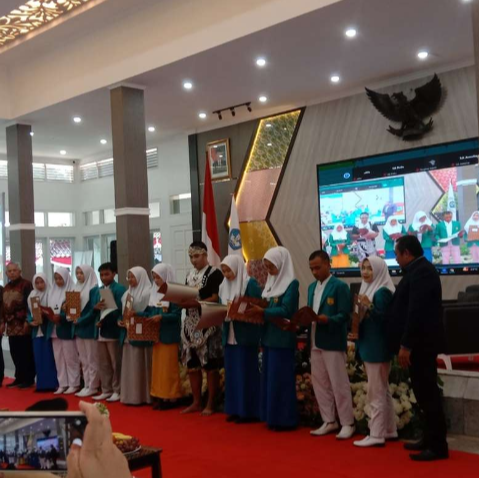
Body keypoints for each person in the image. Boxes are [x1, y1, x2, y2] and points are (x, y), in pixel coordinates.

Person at [388, 236, 448, 462]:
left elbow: (416, 311)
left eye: (397, 254)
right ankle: (429, 438)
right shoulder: (416, 270)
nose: (395, 258)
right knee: (422, 394)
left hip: (421, 345)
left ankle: (438, 446)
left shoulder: (422, 272)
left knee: (428, 394)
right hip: (419, 344)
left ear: (407, 253)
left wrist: (406, 345)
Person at [249, 247, 299, 432]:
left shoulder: (291, 284)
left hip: (282, 338)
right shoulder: (271, 283)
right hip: (269, 338)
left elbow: (286, 310)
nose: (270, 271)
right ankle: (271, 417)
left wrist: (263, 311)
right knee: (270, 380)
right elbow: (268, 306)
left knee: (281, 381)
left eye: (272, 267)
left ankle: (285, 419)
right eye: (267, 267)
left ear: (281, 264)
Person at [307, 251, 355, 440]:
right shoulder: (311, 287)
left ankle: (347, 422)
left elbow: (345, 315)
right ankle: (329, 420)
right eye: (311, 268)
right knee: (320, 383)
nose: (314, 272)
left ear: (328, 264)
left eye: (318, 267)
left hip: (332, 340)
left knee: (338, 383)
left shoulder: (339, 286)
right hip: (315, 339)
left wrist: (328, 320)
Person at [352, 257, 397, 448]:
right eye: (363, 268)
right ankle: (389, 430)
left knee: (375, 392)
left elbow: (385, 319)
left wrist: (368, 305)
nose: (365, 272)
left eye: (369, 268)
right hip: (370, 346)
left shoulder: (382, 291)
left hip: (377, 347)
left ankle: (376, 434)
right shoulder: (369, 288)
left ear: (378, 270)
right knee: (382, 390)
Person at [181, 241, 224, 416]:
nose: (194, 260)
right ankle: (196, 401)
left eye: (197, 256)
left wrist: (198, 303)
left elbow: (216, 297)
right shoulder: (189, 275)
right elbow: (185, 295)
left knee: (210, 364)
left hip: (208, 323)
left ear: (205, 254)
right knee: (192, 364)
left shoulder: (215, 273)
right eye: (191, 257)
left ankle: (211, 403)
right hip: (190, 324)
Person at [220, 255, 263, 424]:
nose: (226, 274)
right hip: (229, 334)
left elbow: (257, 307)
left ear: (237, 268)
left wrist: (239, 312)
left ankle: (249, 411)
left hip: (245, 335)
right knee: (232, 374)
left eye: (228, 270)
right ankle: (235, 409)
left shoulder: (249, 284)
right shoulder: (223, 285)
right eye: (224, 271)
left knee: (246, 373)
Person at [141, 264, 183, 410]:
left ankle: (171, 396)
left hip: (168, 336)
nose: (156, 280)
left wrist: (162, 317)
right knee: (158, 369)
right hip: (156, 336)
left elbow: (176, 315)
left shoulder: (174, 293)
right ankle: (159, 395)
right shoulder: (154, 292)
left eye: (158, 277)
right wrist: (136, 314)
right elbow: (149, 313)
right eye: (154, 277)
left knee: (168, 369)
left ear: (166, 276)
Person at [92, 263, 126, 403]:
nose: (104, 277)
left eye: (107, 274)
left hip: (113, 331)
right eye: (101, 275)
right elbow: (95, 310)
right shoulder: (98, 290)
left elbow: (120, 310)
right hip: (100, 330)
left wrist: (109, 319)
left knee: (115, 363)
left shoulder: (119, 289)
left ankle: (117, 390)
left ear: (114, 274)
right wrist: (96, 308)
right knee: (104, 363)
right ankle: (106, 389)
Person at [120, 267, 154, 406]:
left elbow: (151, 313)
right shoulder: (126, 294)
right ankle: (131, 396)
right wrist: (121, 320)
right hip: (129, 333)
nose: (130, 280)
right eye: (128, 277)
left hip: (143, 334)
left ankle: (145, 396)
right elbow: (123, 312)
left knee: (142, 364)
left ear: (141, 277)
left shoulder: (149, 293)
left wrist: (137, 314)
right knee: (131, 365)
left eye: (133, 277)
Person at [0, 263, 35, 389]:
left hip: (23, 325)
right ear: (6, 273)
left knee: (25, 352)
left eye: (14, 270)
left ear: (19, 271)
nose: (12, 273)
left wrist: (27, 320)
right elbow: (3, 307)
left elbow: (30, 304)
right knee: (15, 352)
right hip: (11, 326)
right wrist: (3, 322)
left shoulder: (26, 285)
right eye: (9, 271)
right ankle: (19, 377)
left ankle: (28, 379)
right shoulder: (6, 288)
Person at [49, 268, 81, 396]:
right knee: (59, 359)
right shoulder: (52, 291)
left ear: (66, 278)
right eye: (56, 279)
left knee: (70, 357)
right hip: (54, 330)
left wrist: (61, 316)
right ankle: (63, 383)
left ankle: (74, 383)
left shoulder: (72, 290)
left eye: (60, 278)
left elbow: (73, 312)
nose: (58, 281)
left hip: (67, 329)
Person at [27, 274, 58, 392]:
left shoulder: (51, 294)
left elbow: (53, 311)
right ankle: (41, 385)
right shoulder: (32, 295)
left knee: (49, 358)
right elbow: (28, 312)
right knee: (38, 358)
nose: (40, 285)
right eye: (37, 283)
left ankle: (51, 384)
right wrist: (31, 321)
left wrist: (45, 314)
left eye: (42, 282)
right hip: (36, 331)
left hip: (47, 330)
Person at [73, 266, 100, 398]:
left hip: (89, 327)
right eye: (77, 273)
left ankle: (93, 386)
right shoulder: (76, 288)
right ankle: (87, 385)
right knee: (83, 359)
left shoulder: (94, 289)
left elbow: (93, 310)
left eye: (81, 273)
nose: (79, 276)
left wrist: (81, 320)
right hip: (78, 328)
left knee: (91, 359)